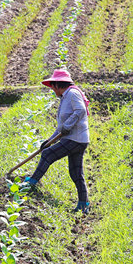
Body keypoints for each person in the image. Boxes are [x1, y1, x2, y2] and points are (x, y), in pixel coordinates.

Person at [20, 69, 91, 213]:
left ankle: (32, 182)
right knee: (75, 173)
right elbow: (61, 128)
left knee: (48, 154)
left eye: (52, 87)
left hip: (76, 138)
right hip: (77, 139)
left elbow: (80, 110)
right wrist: (49, 140)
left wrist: (68, 126)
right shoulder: (66, 97)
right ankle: (84, 204)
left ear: (58, 85)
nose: (52, 90)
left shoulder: (72, 93)